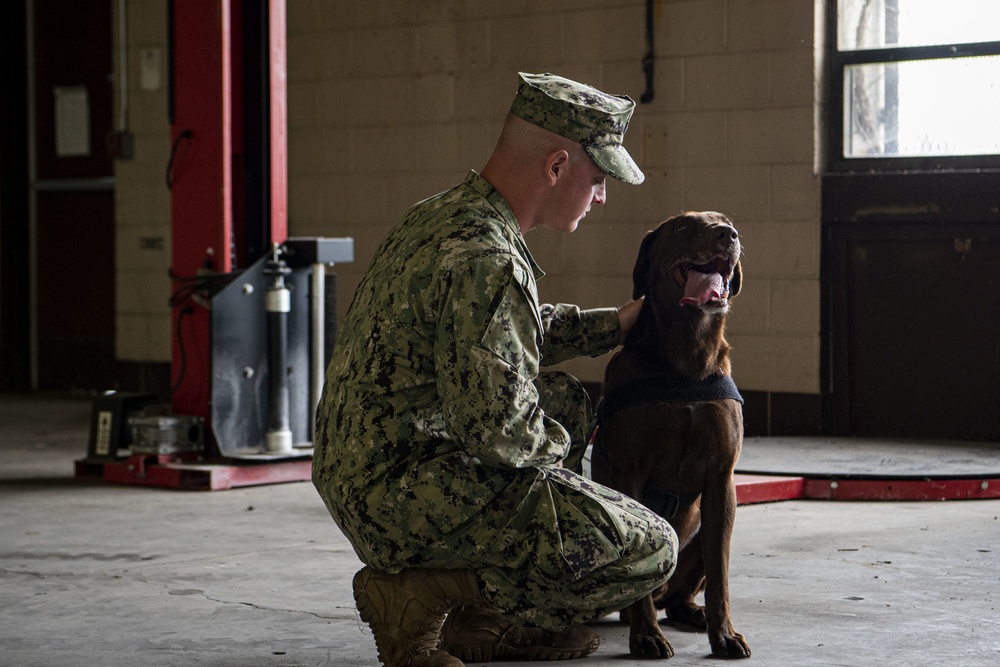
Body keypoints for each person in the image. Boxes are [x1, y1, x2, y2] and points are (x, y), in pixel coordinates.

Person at [313, 72, 678, 667]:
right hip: (396, 494)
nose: (603, 195)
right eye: (600, 177)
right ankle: (417, 594)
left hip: (361, 467)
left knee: (558, 397)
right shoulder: (490, 260)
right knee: (646, 547)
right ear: (557, 167)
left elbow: (504, 334)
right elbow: (499, 432)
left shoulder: (445, 216)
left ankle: (482, 622)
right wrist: (576, 471)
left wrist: (617, 323)